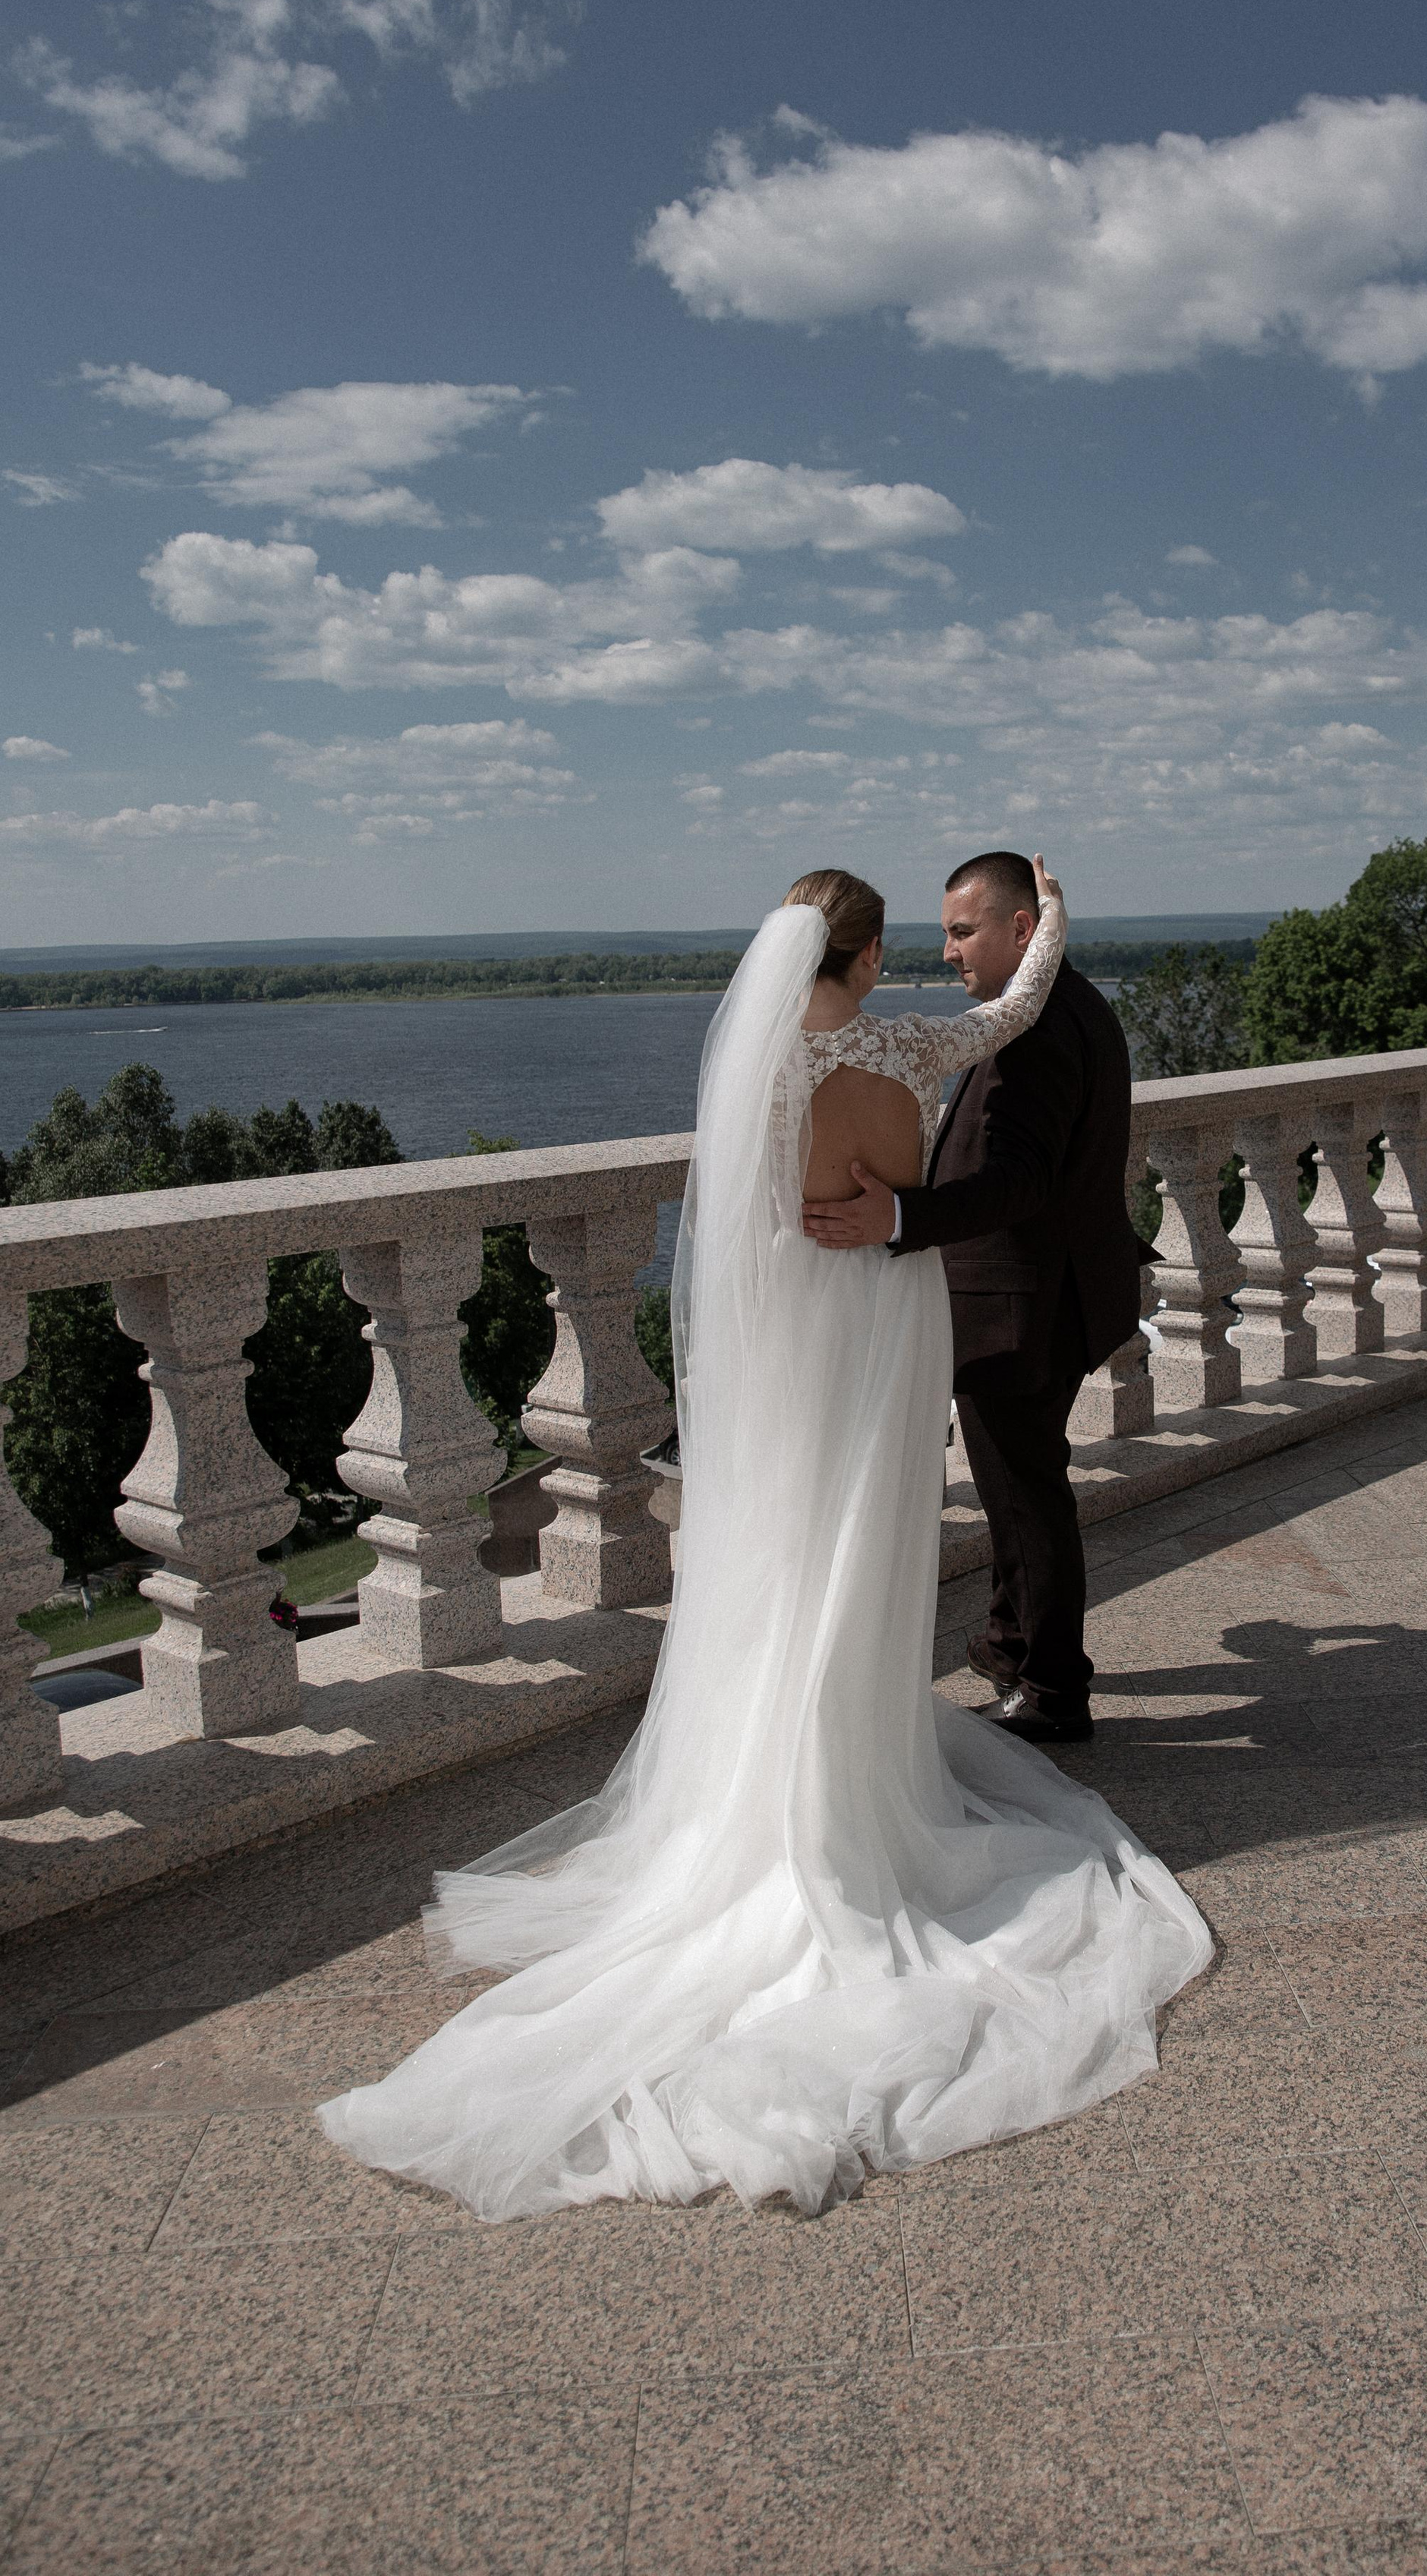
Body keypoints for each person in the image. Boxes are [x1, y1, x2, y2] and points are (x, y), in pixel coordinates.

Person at [316, 858, 1208, 2222]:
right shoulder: (910, 1048)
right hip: (884, 1321)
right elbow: (1018, 1010)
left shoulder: (759, 1078)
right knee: (866, 1541)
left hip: (786, 1348)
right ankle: (853, 1772)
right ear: (862, 959)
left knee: (784, 1553)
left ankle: (763, 1788)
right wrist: (1057, 916)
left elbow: (735, 1241)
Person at [802, 849, 1146, 1744]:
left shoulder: (1035, 1027)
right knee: (1013, 1488)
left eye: (963, 931)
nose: (948, 950)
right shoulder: (1057, 1005)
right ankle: (1008, 1644)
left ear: (1020, 930)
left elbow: (1023, 1181)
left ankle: (1052, 1691)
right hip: (1031, 1294)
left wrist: (900, 1218)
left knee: (1027, 1496)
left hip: (1022, 1304)